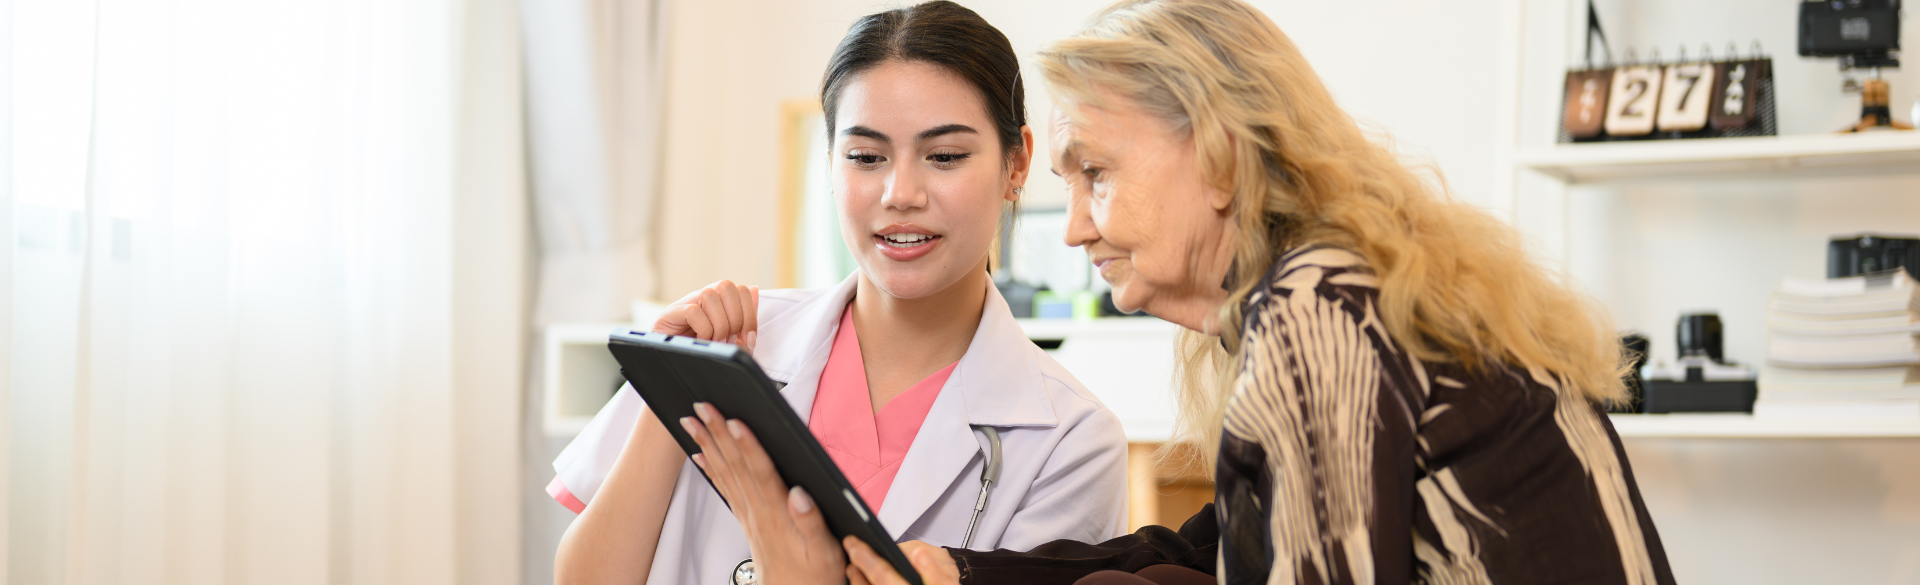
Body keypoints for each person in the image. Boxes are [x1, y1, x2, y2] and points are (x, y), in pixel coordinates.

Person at [678, 0, 1678, 584]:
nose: (1072, 227)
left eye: (1097, 174)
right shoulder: (1347, 297)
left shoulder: (1323, 315)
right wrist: (962, 575)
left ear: (1221, 159)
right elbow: (1199, 558)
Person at [548, 3, 1132, 584]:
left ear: (1016, 163)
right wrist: (669, 391)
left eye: (945, 156)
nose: (901, 193)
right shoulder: (720, 342)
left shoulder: (1072, 442)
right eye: (865, 157)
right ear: (830, 163)